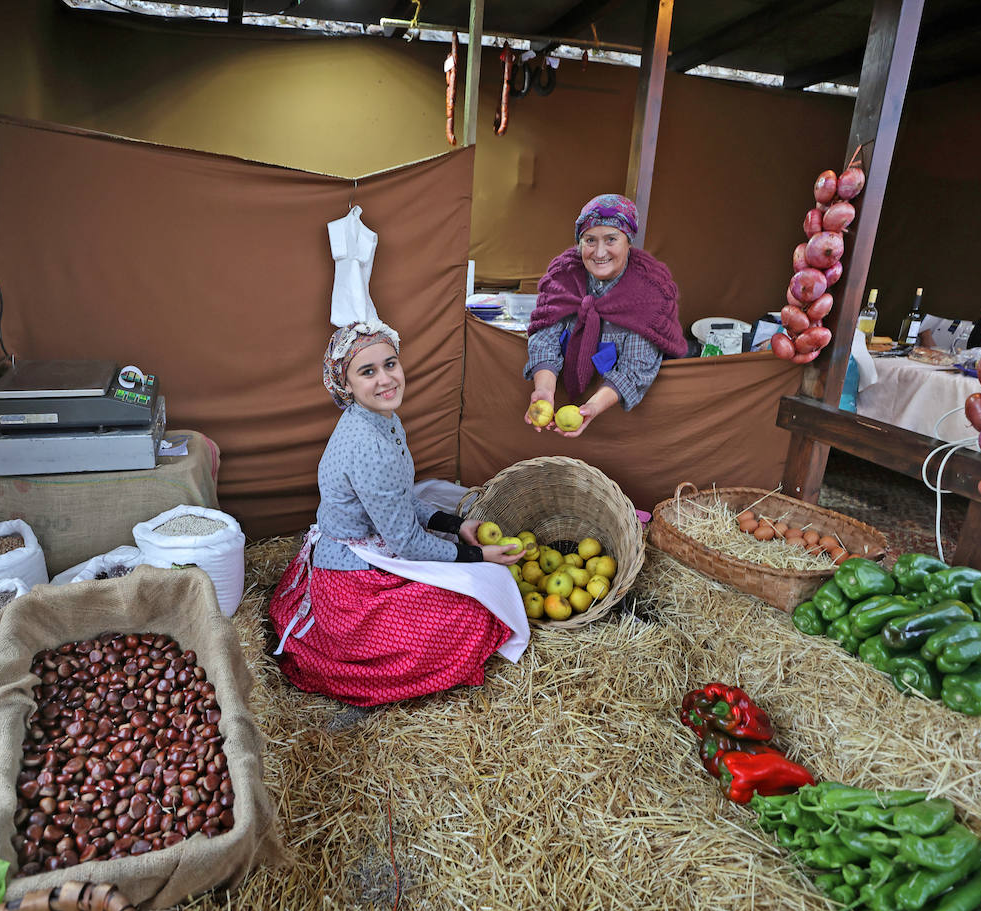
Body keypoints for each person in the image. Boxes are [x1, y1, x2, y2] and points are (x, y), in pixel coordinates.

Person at [267, 321, 525, 707]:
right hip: (351, 580)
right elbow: (405, 542)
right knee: (475, 610)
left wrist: (456, 525)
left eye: (390, 364)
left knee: (478, 588)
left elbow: (401, 500)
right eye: (367, 372)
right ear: (346, 385)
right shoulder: (368, 444)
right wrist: (478, 556)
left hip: (369, 546)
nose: (386, 379)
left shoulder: (380, 417)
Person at [523, 194, 688, 437]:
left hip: (626, 430)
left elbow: (634, 368)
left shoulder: (650, 293)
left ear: (628, 242)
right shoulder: (563, 277)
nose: (599, 253)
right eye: (590, 240)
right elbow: (545, 338)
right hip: (558, 424)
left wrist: (592, 407)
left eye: (611, 239)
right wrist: (545, 390)